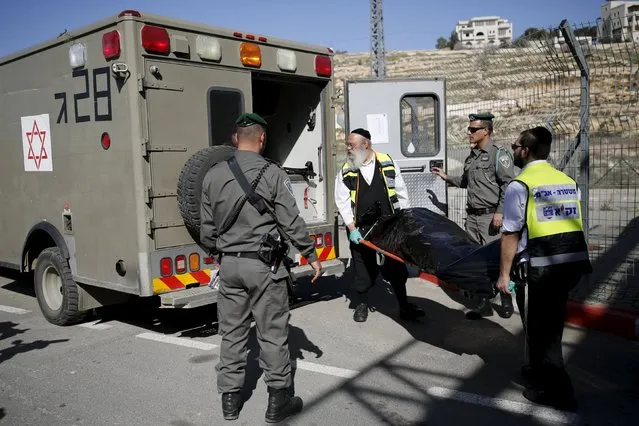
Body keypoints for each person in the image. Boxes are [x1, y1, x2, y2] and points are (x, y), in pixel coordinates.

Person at [200, 112, 322, 423]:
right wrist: (310, 253)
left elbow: (207, 231)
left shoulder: (212, 176)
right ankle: (277, 402)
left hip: (229, 267)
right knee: (272, 334)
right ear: (262, 138)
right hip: (265, 268)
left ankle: (229, 402)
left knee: (231, 333)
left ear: (234, 138)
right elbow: (290, 221)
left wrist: (223, 252)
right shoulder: (272, 173)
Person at [496, 126, 592, 411]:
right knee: (546, 326)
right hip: (569, 265)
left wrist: (503, 275)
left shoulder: (520, 185)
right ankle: (536, 373)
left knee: (542, 331)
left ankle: (559, 391)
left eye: (515, 146)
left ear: (525, 150)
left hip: (539, 268)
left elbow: (510, 234)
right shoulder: (566, 180)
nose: (512, 150)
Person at [334, 128, 425, 323]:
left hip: (389, 226)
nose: (348, 148)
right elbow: (342, 202)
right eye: (347, 145)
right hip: (362, 229)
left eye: (352, 145)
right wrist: (352, 229)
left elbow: (401, 192)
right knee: (363, 269)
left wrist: (405, 220)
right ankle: (362, 304)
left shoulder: (387, 162)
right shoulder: (346, 170)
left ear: (365, 144)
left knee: (396, 269)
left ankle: (404, 306)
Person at [432, 112, 516, 319]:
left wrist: (499, 212)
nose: (468, 133)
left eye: (473, 129)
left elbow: (508, 185)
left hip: (491, 217)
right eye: (469, 129)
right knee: (477, 261)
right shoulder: (472, 156)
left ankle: (506, 298)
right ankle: (483, 302)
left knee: (499, 260)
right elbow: (465, 182)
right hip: (473, 218)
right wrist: (446, 177)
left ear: (485, 131)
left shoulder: (499, 154)